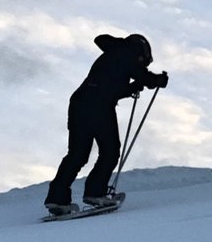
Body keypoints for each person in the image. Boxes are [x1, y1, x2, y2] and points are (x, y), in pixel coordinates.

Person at [44, 33, 168, 215]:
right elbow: (142, 76)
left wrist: (133, 87)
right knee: (110, 150)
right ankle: (96, 192)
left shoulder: (113, 55)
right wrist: (155, 80)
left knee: (77, 154)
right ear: (141, 50)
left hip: (80, 102)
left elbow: (111, 86)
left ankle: (57, 198)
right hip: (99, 105)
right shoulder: (126, 53)